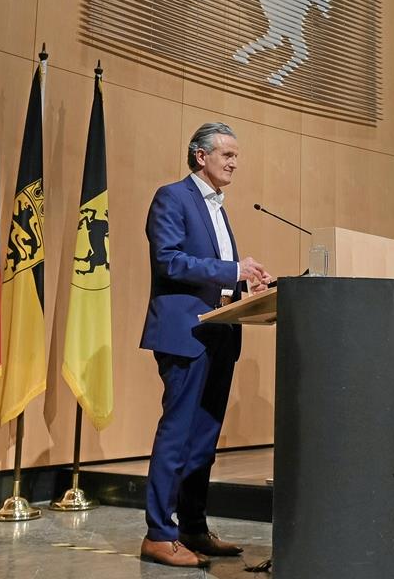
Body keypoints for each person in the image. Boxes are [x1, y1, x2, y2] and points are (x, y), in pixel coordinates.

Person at [140, 122, 272, 568]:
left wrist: (245, 289)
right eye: (227, 155)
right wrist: (233, 270)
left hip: (219, 332)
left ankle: (192, 528)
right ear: (201, 156)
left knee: (203, 441)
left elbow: (215, 271)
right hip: (185, 333)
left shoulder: (219, 208)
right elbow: (169, 260)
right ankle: (159, 534)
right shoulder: (172, 198)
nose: (234, 162)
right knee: (178, 435)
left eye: (236, 156)